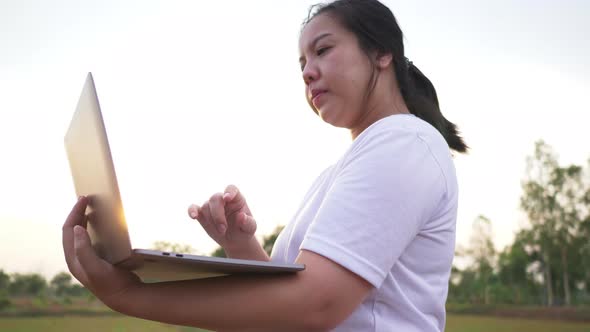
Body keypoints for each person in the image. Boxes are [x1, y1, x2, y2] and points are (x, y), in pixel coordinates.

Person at [62, 0, 468, 331]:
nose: (308, 72)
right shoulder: (348, 165)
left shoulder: (403, 142)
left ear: (382, 53)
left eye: (323, 50)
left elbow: (314, 306)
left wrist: (129, 295)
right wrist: (240, 244)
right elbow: (287, 307)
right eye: (302, 63)